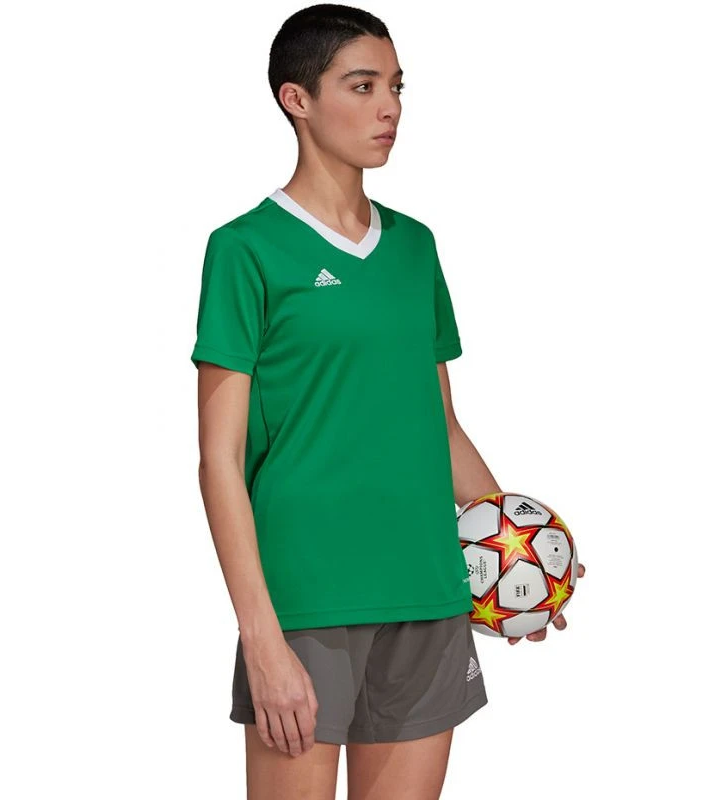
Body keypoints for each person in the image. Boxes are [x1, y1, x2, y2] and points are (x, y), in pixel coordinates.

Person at [191, 4, 586, 798]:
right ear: (297, 99)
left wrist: (518, 552)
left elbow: (437, 425)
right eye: (362, 85)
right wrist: (261, 638)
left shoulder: (415, 246)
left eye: (397, 87)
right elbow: (218, 462)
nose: (389, 108)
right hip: (308, 601)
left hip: (429, 590)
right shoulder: (245, 249)